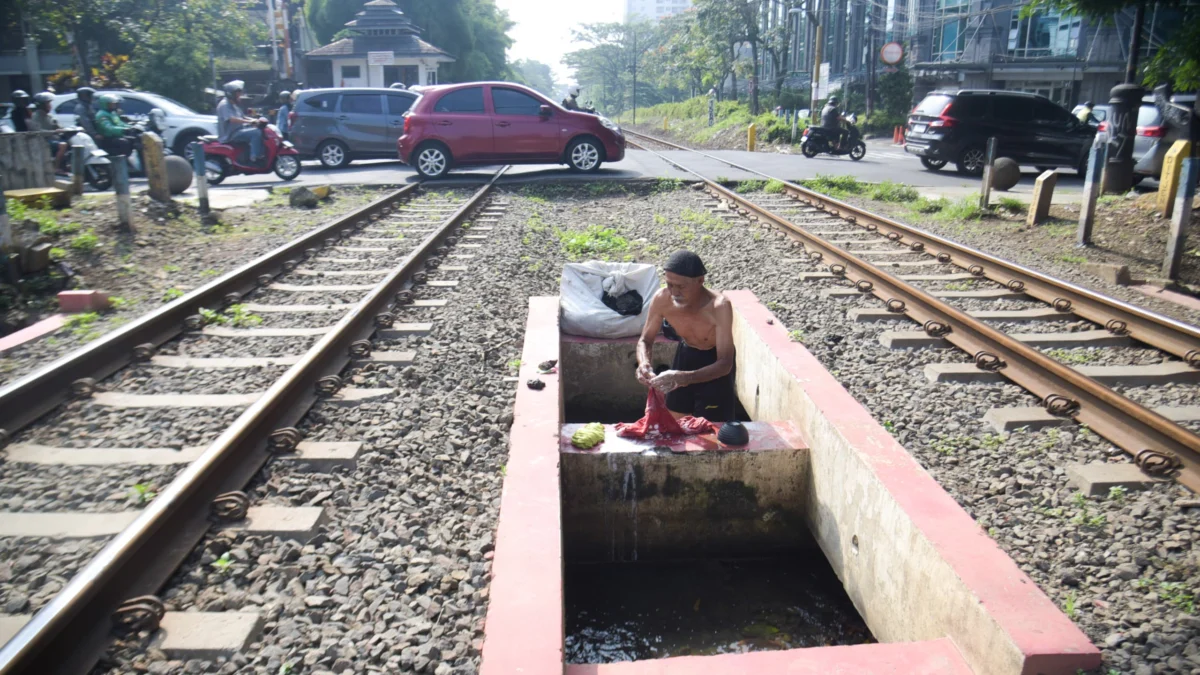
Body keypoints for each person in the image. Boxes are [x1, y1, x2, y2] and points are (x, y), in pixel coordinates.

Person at [635, 250, 736, 422]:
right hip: (686, 354)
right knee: (674, 419)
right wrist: (643, 364)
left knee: (710, 428)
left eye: (681, 286)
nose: (674, 292)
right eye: (669, 284)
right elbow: (645, 340)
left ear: (700, 281)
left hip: (714, 363)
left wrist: (684, 378)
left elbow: (725, 363)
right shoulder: (662, 298)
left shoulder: (719, 306)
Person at [217, 80, 265, 164]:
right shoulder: (224, 105)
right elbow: (232, 119)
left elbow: (242, 117)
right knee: (256, 133)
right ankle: (255, 158)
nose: (240, 95)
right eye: (238, 93)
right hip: (231, 135)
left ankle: (259, 153)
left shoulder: (233, 105)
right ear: (231, 94)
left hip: (238, 131)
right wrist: (249, 122)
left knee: (260, 130)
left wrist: (254, 120)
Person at [29, 92, 68, 175]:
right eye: (47, 103)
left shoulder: (49, 116)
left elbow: (57, 126)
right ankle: (56, 168)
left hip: (52, 139)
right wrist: (53, 132)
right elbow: (37, 131)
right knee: (63, 145)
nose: (49, 105)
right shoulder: (36, 116)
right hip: (43, 141)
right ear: (41, 105)